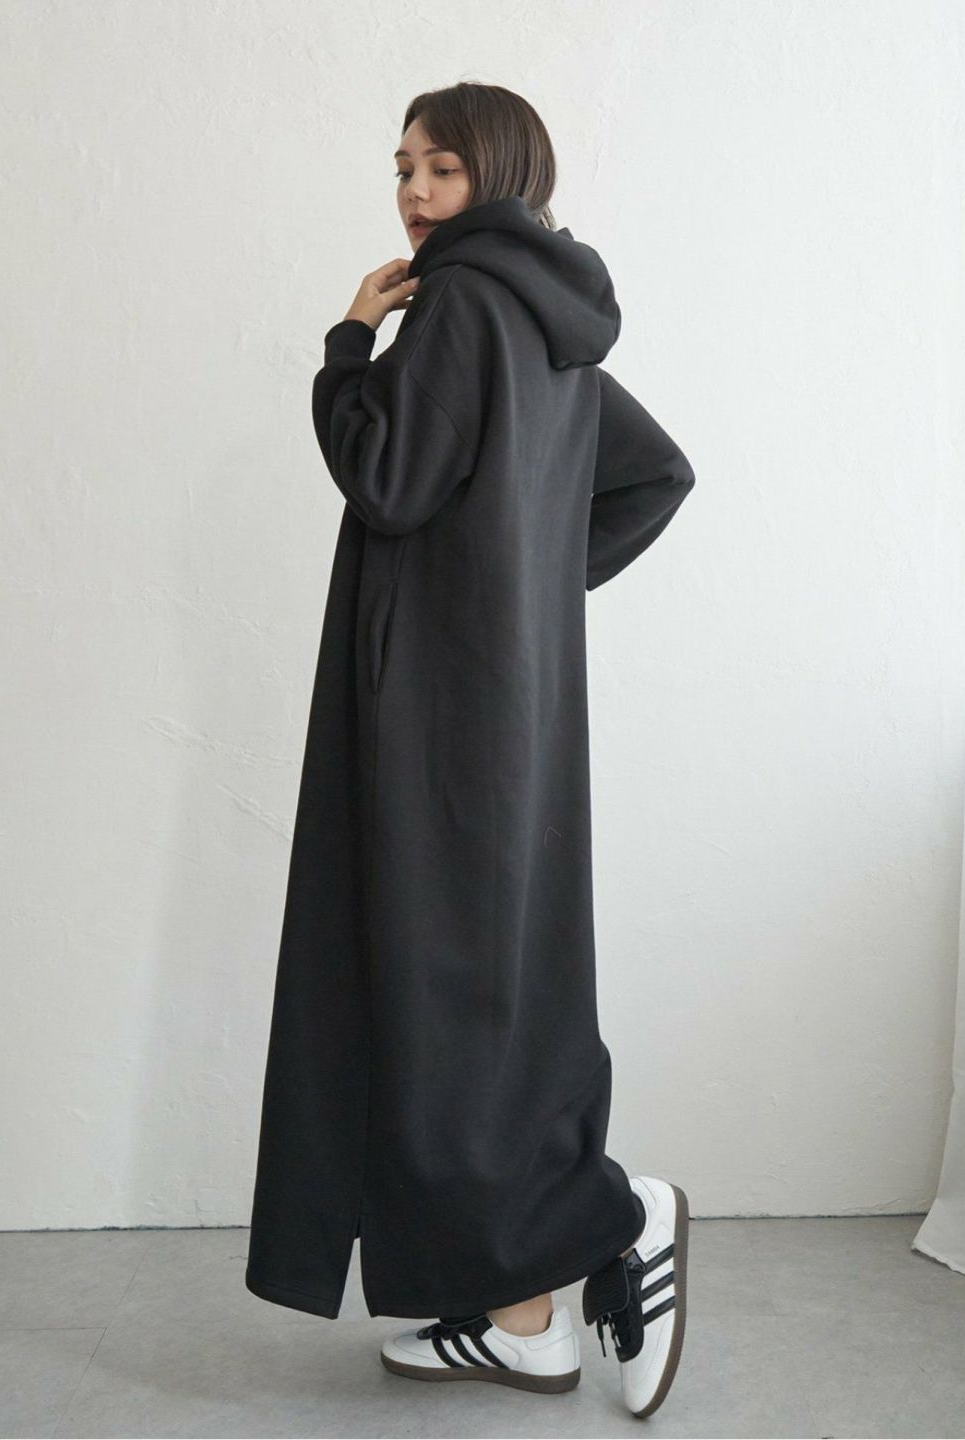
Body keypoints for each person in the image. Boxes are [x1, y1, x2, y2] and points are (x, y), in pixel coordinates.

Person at [244, 81, 696, 1420]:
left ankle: (613, 1217)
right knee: (491, 986)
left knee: (430, 989)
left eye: (439, 170)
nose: (412, 195)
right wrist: (528, 595)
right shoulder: (553, 323)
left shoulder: (454, 307)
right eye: (402, 170)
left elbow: (384, 478)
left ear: (495, 176)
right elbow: (653, 475)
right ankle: (522, 1318)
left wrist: (347, 343)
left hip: (434, 715)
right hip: (515, 711)